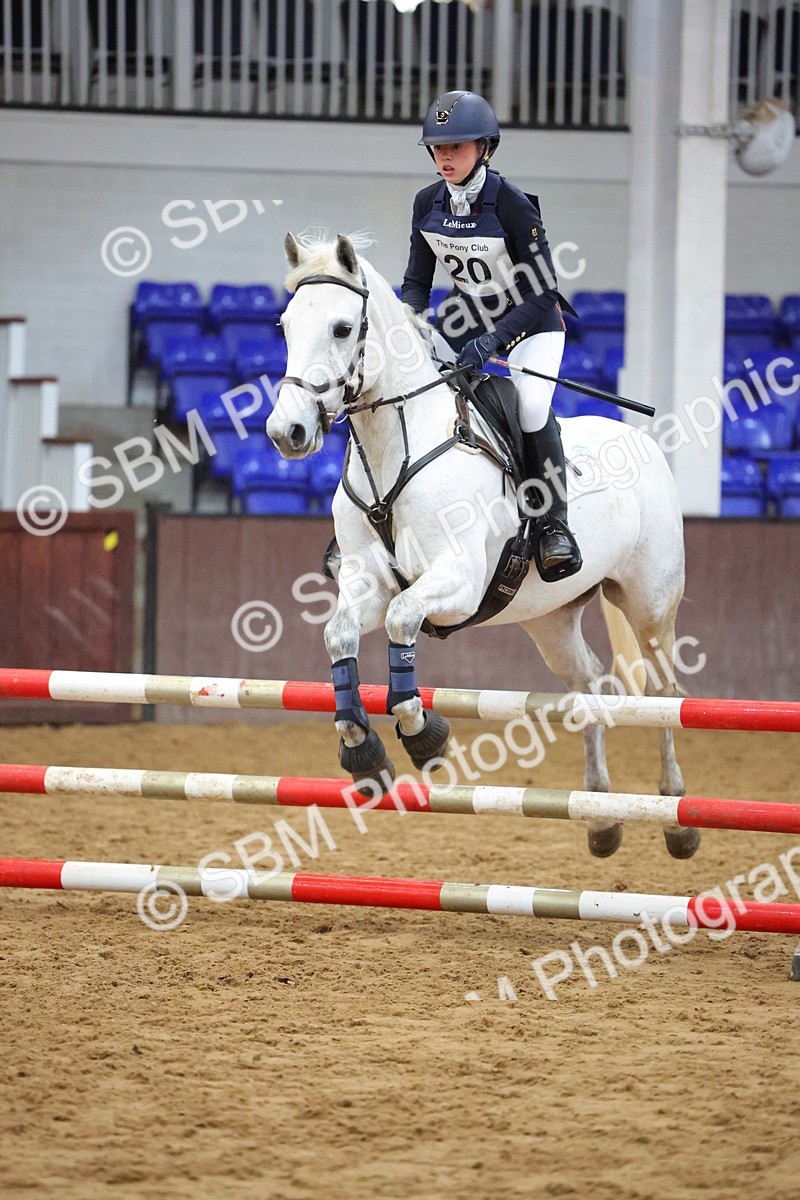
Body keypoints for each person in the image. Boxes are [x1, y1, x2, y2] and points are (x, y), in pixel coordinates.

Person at [401, 90, 582, 582]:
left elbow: (544, 291)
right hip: (470, 323)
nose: (445, 157)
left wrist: (494, 341)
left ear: (484, 148)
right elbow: (417, 282)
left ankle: (554, 524)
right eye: (438, 148)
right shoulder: (426, 203)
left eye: (456, 147)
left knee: (531, 407)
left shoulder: (512, 204)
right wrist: (411, 325)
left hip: (533, 324)